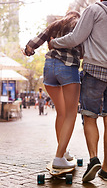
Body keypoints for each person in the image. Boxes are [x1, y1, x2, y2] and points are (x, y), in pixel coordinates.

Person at [49, 0, 107, 182]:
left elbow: (76, 37)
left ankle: (93, 158)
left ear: (101, 0)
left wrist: (55, 43)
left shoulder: (94, 9)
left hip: (95, 71)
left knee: (90, 116)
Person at [23, 11, 81, 168]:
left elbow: (32, 44)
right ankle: (58, 157)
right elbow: (83, 51)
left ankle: (63, 151)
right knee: (71, 114)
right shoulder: (79, 25)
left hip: (49, 68)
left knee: (61, 113)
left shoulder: (55, 24)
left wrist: (29, 51)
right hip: (68, 68)